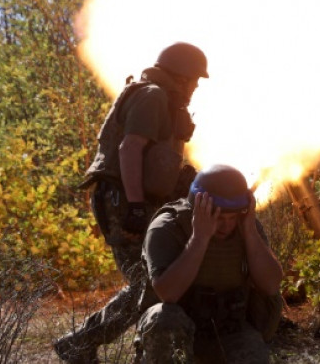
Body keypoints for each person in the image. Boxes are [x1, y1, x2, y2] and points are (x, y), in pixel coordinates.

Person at [54, 42, 209, 364]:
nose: (195, 86)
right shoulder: (152, 96)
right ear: (178, 76)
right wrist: (137, 206)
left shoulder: (164, 100)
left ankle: (82, 342)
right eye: (194, 79)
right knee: (149, 282)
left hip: (135, 199)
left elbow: (157, 158)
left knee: (152, 281)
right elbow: (129, 149)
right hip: (123, 200)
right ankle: (81, 342)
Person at [135, 164, 284, 363]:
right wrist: (200, 238)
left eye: (232, 217)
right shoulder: (167, 227)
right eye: (219, 216)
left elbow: (271, 284)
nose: (226, 225)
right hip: (179, 331)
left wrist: (249, 231)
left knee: (253, 355)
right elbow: (167, 293)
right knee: (164, 319)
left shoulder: (246, 226)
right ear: (199, 206)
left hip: (229, 331)